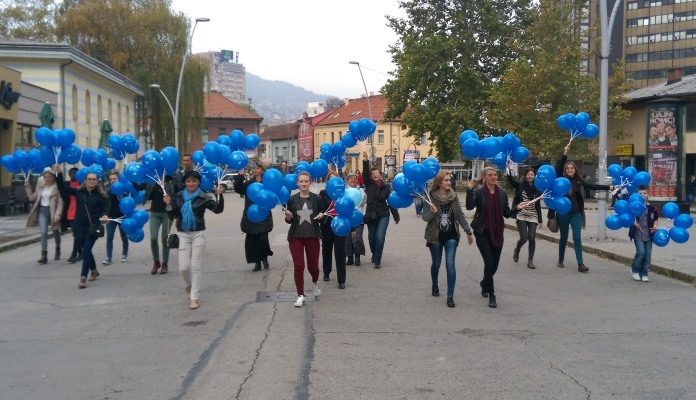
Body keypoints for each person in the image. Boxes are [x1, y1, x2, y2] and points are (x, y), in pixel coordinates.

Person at [466, 166, 527, 308]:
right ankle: (492, 295)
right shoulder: (479, 192)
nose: (494, 177)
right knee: (489, 263)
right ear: (484, 177)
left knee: (495, 265)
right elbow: (469, 206)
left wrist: (517, 208)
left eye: (495, 175)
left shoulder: (502, 193)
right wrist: (469, 190)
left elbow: (506, 213)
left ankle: (484, 282)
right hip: (482, 231)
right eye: (490, 175)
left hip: (498, 231)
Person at [164, 170, 224, 309]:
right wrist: (167, 205)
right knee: (183, 267)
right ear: (184, 183)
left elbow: (217, 209)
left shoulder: (203, 197)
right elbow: (172, 215)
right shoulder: (178, 196)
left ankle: (194, 298)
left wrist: (219, 195)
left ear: (198, 183)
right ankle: (189, 286)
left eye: (194, 181)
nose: (191, 184)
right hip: (182, 234)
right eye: (189, 181)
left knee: (195, 266)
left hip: (199, 234)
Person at [555, 145, 611, 273]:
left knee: (577, 238)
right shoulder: (561, 180)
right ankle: (561, 259)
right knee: (563, 237)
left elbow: (591, 186)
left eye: (572, 168)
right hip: (563, 213)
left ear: (575, 170)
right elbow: (558, 170)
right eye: (567, 168)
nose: (570, 170)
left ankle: (580, 264)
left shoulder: (579, 181)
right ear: (565, 170)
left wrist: (609, 188)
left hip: (576, 214)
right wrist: (565, 153)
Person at [422, 170, 473, 308]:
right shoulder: (430, 197)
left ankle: (450, 296)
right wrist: (432, 212)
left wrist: (468, 231)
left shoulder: (453, 196)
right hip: (435, 236)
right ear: (439, 183)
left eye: (449, 180)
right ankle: (435, 284)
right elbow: (425, 217)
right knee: (436, 264)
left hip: (451, 235)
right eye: (446, 180)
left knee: (450, 264)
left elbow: (460, 216)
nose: (449, 182)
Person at [59, 172, 109, 289]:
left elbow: (104, 210)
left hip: (93, 227)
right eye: (90, 179)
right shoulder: (79, 192)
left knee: (86, 251)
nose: (92, 181)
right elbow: (61, 187)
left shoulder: (101, 195)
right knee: (85, 250)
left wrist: (105, 216)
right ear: (85, 180)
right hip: (79, 226)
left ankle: (83, 278)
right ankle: (94, 270)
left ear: (97, 181)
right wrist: (59, 173)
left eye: (94, 179)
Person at [284, 171, 324, 307]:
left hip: (312, 236)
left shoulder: (317, 199)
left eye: (306, 181)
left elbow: (323, 215)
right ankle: (300, 295)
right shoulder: (292, 199)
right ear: (297, 183)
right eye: (301, 181)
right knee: (299, 266)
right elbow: (289, 220)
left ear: (310, 182)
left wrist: (321, 216)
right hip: (296, 237)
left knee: (313, 267)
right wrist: (288, 216)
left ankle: (315, 281)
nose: (304, 184)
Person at [234, 162, 274, 271]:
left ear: (262, 170)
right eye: (254, 168)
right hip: (251, 215)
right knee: (252, 240)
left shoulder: (267, 183)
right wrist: (239, 176)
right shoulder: (248, 183)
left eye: (258, 168)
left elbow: (274, 194)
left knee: (263, 238)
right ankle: (257, 262)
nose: (255, 170)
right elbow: (238, 189)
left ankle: (264, 258)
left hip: (264, 214)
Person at [362, 156, 400, 269]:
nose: (375, 174)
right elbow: (364, 173)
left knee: (380, 237)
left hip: (383, 214)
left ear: (380, 174)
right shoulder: (368, 184)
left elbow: (391, 201)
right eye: (372, 173)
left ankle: (377, 260)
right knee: (372, 239)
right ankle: (374, 253)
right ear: (371, 176)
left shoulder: (386, 187)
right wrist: (365, 161)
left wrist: (396, 216)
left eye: (376, 172)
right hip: (370, 216)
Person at [25, 165, 64, 264]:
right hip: (42, 211)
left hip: (53, 211)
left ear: (53, 178)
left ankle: (58, 249)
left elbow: (60, 203)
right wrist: (28, 188)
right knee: (43, 232)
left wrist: (57, 215)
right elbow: (31, 198)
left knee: (55, 231)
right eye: (45, 177)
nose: (47, 179)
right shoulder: (41, 188)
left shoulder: (56, 188)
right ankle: (44, 255)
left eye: (49, 177)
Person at [507, 167, 543, 269]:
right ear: (525, 176)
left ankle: (530, 260)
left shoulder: (537, 189)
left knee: (531, 237)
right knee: (523, 238)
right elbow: (511, 181)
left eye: (532, 175)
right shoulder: (520, 186)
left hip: (533, 215)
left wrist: (540, 220)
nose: (530, 176)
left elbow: (538, 206)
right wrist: (507, 170)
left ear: (534, 176)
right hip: (521, 214)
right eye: (528, 174)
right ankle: (517, 249)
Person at [319, 170, 347, 288]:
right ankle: (326, 271)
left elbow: (350, 211)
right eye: (330, 179)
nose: (333, 182)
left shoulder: (344, 194)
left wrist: (353, 227)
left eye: (335, 179)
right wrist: (320, 217)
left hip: (340, 225)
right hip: (326, 225)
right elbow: (319, 209)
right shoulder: (323, 193)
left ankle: (341, 280)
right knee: (327, 249)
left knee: (340, 251)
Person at [144, 176, 176, 274]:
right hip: (154, 212)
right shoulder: (151, 179)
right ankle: (156, 262)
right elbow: (140, 186)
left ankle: (165, 263)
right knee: (153, 238)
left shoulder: (171, 180)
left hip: (167, 212)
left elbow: (178, 193)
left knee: (165, 239)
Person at [628, 186, 658, 282]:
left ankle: (644, 273)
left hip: (649, 234)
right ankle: (635, 269)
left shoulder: (652, 207)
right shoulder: (633, 206)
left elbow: (656, 219)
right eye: (640, 193)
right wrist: (634, 223)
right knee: (641, 252)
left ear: (648, 194)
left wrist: (655, 225)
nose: (643, 195)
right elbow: (629, 218)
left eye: (645, 193)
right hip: (638, 234)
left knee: (648, 255)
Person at [103, 172, 129, 265]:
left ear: (118, 179)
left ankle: (124, 254)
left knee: (124, 236)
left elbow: (128, 203)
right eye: (111, 179)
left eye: (114, 179)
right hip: (111, 217)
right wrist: (106, 215)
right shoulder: (108, 191)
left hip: (122, 217)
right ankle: (108, 257)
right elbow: (106, 205)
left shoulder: (124, 190)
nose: (112, 181)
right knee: (109, 236)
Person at [61, 167, 83, 263]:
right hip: (70, 213)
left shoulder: (82, 185)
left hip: (79, 214)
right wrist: (58, 174)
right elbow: (61, 187)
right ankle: (81, 252)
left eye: (74, 173)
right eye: (70, 173)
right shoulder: (67, 185)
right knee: (76, 234)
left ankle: (74, 254)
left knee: (77, 234)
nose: (72, 175)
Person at [344, 173, 366, 266]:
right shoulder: (344, 191)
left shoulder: (361, 191)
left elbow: (365, 204)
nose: (353, 180)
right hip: (346, 218)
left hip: (358, 217)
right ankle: (349, 257)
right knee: (347, 238)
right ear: (347, 180)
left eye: (354, 178)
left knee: (357, 237)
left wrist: (363, 214)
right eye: (351, 178)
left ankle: (357, 256)